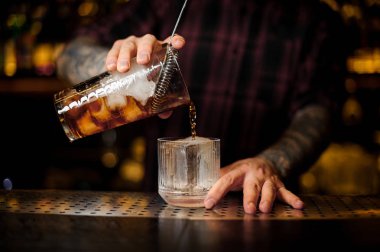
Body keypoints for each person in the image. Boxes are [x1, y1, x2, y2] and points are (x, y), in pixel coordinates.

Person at [56, 0, 347, 214]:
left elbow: (319, 113)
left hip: (260, 209)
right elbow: (69, 55)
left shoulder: (316, 20)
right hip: (165, 210)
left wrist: (271, 161)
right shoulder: (172, 4)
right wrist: (115, 67)